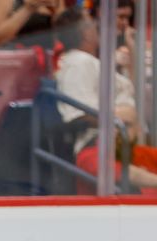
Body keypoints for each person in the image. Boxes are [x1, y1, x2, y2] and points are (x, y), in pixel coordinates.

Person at [54, 8, 135, 154]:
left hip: (125, 141)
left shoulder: (89, 61)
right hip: (102, 147)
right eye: (92, 23)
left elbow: (133, 88)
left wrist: (132, 47)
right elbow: (79, 114)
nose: (97, 26)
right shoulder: (78, 63)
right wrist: (123, 115)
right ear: (83, 32)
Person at [76, 104, 157, 196]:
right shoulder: (88, 155)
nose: (119, 130)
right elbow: (127, 174)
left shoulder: (144, 153)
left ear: (138, 129)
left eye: (126, 125)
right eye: (114, 124)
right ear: (103, 127)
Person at [0, 0, 66, 49]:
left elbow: (65, 36)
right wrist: (28, 9)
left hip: (46, 54)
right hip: (15, 55)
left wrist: (54, 10)